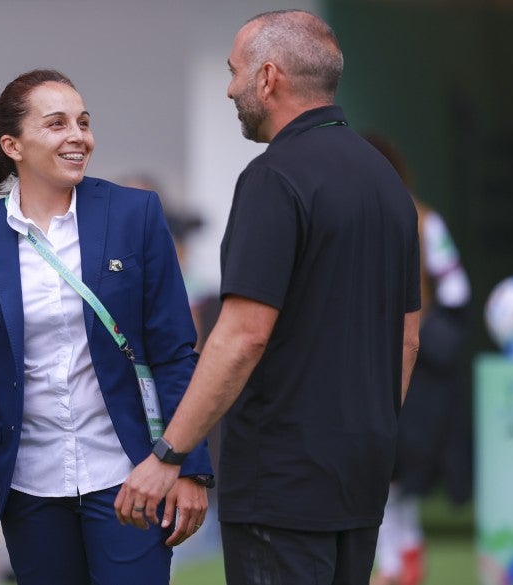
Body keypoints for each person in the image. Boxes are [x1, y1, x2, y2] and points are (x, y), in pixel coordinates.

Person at [115, 10, 421, 585]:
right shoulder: (388, 184)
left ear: (268, 78)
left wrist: (169, 455)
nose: (230, 87)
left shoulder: (273, 178)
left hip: (282, 483)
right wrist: (367, 432)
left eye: (234, 72)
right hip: (362, 476)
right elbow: (407, 338)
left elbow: (243, 334)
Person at [0, 69, 213, 585]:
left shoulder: (135, 214)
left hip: (132, 476)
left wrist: (187, 465)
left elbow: (174, 351)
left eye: (83, 122)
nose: (78, 136)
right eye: (56, 124)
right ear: (12, 144)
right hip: (31, 489)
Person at [363, 134, 471, 585]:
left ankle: (395, 568)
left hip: (407, 366)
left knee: (392, 474)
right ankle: (402, 565)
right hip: (388, 362)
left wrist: (423, 336)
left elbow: (455, 291)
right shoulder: (401, 218)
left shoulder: (423, 221)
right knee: (390, 478)